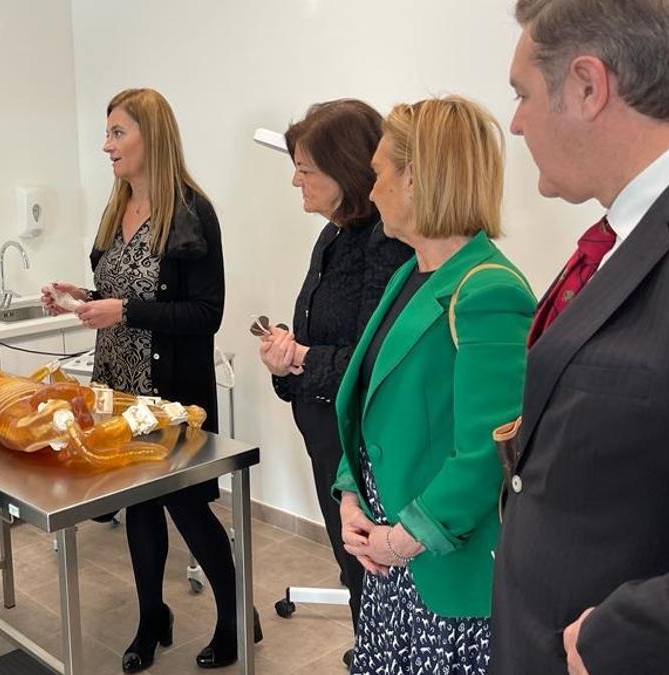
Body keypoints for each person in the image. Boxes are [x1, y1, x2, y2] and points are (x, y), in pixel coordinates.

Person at [493, 2, 669, 673]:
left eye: (523, 94)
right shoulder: (632, 230)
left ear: (589, 87)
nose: (517, 120)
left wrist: (637, 632)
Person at [43, 88, 255, 671]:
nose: (105, 145)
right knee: (136, 504)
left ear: (150, 137)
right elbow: (120, 295)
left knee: (185, 506)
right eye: (107, 133)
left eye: (117, 133)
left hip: (169, 395)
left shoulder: (190, 211)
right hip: (117, 384)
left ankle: (237, 612)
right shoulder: (116, 208)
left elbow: (205, 315)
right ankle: (150, 616)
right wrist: (79, 298)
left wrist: (124, 312)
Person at [331, 96, 534, 674]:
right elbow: (371, 410)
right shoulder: (409, 274)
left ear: (418, 179)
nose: (370, 192)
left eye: (378, 175)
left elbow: (488, 454)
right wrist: (351, 495)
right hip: (390, 553)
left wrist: (401, 540)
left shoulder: (488, 290)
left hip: (440, 568)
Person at [257, 100, 411, 666]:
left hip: (360, 441)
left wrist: (301, 358)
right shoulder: (332, 236)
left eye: (306, 169)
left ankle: (373, 652)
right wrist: (288, 357)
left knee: (371, 570)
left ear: (346, 172)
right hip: (323, 428)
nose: (294, 178)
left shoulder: (386, 244)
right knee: (352, 566)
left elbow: (373, 363)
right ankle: (366, 647)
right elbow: (322, 339)